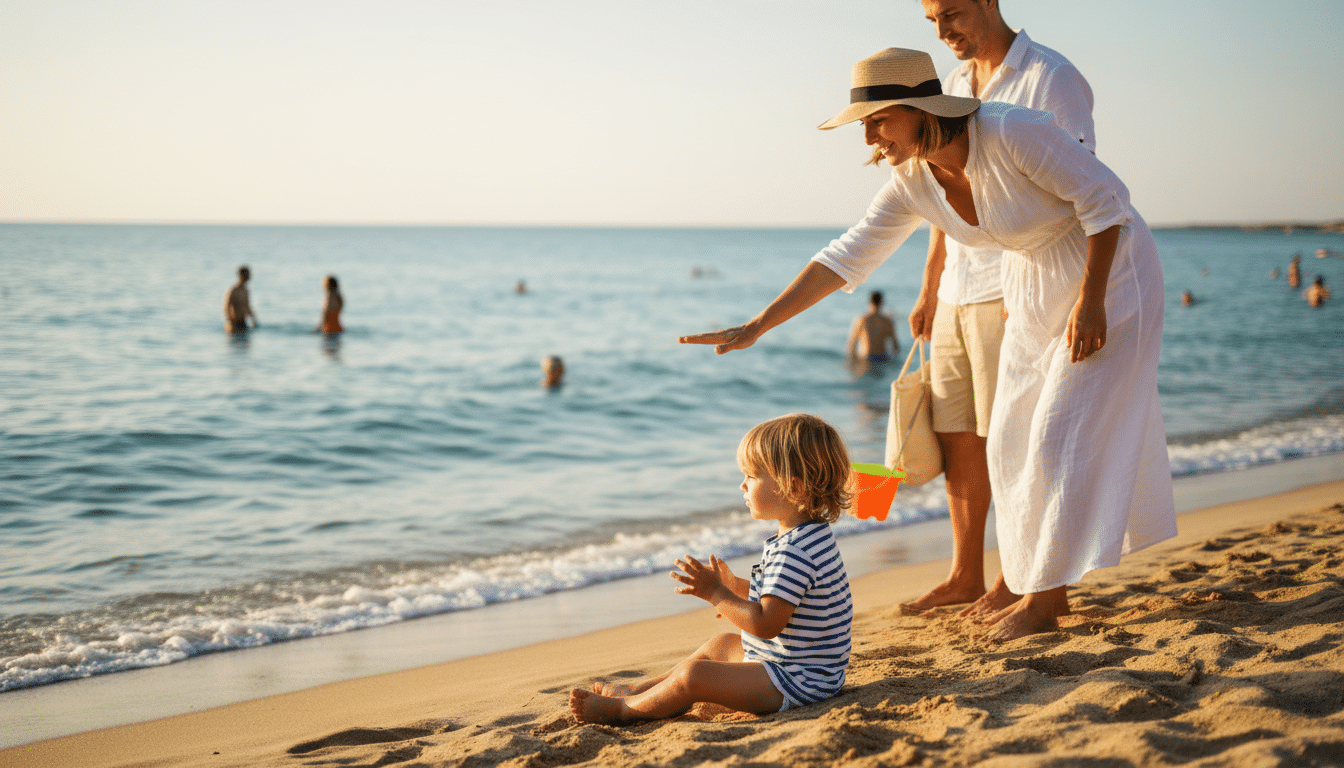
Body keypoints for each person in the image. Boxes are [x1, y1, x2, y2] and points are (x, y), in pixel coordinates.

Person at [680, 48, 1176, 640]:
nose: (868, 135)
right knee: (1011, 442)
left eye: (877, 118)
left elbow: (1108, 202)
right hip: (1033, 284)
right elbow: (848, 255)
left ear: (920, 110)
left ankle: (1044, 602)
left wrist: (1091, 300)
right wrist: (758, 325)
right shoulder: (914, 179)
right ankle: (1029, 586)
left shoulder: (1014, 131)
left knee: (1054, 437)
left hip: (1110, 274)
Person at [899, 0, 1098, 614]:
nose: (943, 31)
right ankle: (965, 573)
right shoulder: (955, 85)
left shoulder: (1051, 77)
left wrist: (1053, 292)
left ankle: (1018, 577)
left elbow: (1083, 190)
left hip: (1014, 284)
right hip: (958, 287)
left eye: (952, 13)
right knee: (958, 433)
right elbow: (940, 184)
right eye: (931, 21)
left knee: (1009, 436)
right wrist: (930, 283)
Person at [570, 414, 853, 724]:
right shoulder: (810, 537)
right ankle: (639, 691)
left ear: (794, 488)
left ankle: (623, 710)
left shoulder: (795, 552)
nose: (742, 485)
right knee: (718, 645)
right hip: (803, 668)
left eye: (752, 476)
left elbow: (765, 624)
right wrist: (736, 587)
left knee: (695, 675)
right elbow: (787, 601)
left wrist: (716, 594)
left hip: (796, 681)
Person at [847, 290, 900, 364]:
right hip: (883, 357)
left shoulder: (861, 320)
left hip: (866, 357)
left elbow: (852, 343)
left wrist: (852, 361)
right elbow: (896, 345)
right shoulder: (888, 321)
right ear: (882, 303)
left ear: (869, 302)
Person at [223, 266, 258, 332]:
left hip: (243, 321)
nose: (249, 277)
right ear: (241, 275)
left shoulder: (245, 290)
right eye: (247, 275)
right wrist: (229, 320)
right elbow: (226, 306)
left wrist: (254, 319)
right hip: (233, 323)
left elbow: (247, 306)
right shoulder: (233, 290)